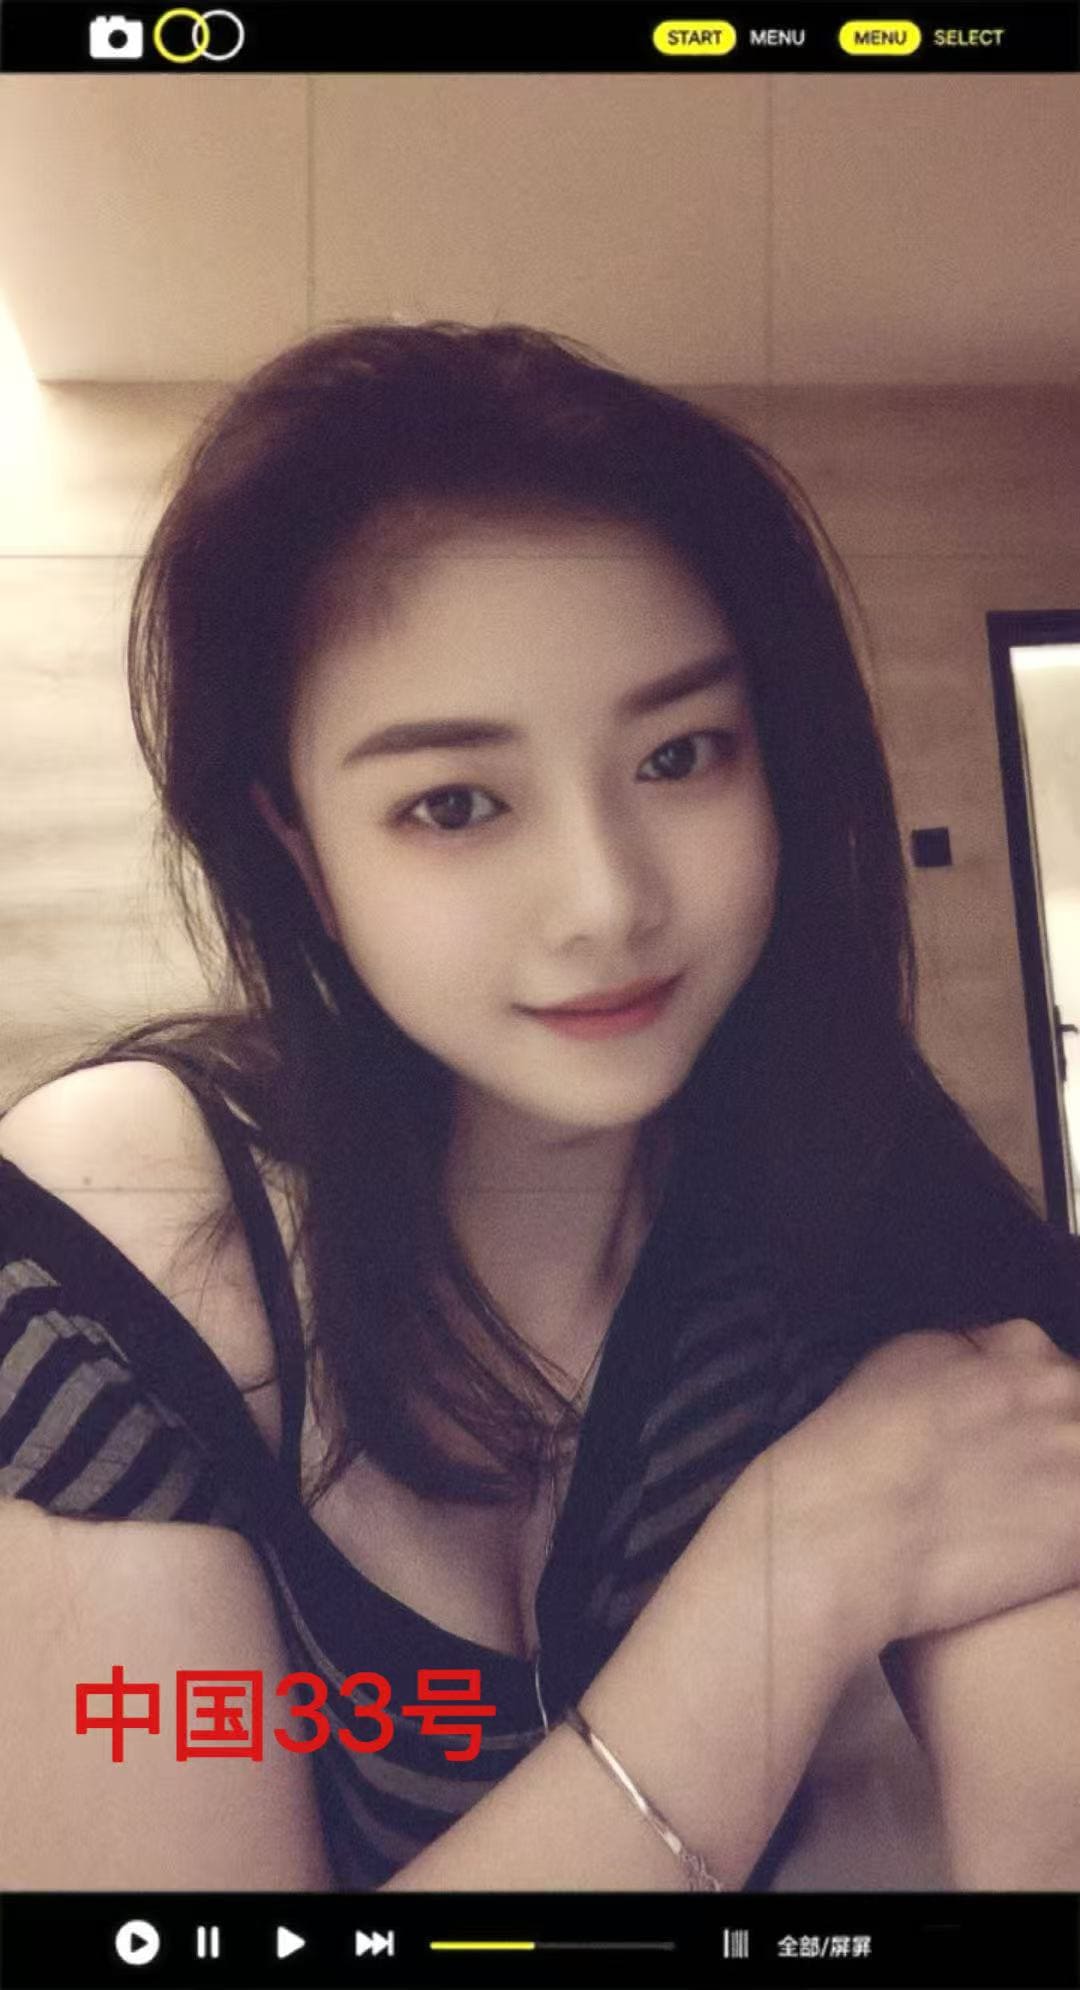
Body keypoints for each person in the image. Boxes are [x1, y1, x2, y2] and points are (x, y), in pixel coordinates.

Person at [2, 320, 1080, 1895]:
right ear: (299, 846)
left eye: (680, 755)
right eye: (454, 802)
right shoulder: (127, 1236)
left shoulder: (832, 1173)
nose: (607, 899)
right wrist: (804, 1558)